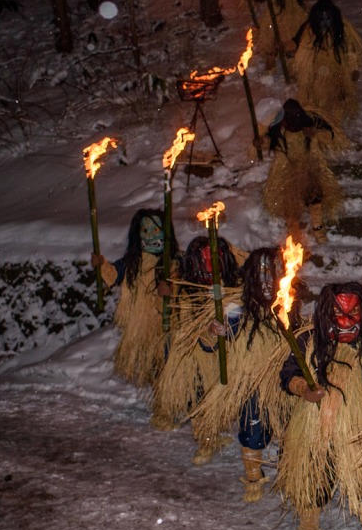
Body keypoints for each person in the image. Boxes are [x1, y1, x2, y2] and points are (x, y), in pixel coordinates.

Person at [275, 281, 362, 530]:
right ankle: (308, 527)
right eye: (338, 312)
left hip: (358, 425)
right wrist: (303, 388)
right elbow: (287, 374)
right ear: (325, 312)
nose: (346, 321)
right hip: (316, 424)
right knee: (314, 473)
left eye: (353, 312)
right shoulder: (308, 341)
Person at [190, 247, 297, 502]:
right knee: (252, 428)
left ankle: (289, 473)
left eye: (271, 274)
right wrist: (213, 331)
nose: (265, 281)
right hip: (250, 383)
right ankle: (253, 478)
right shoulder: (236, 310)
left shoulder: (287, 308)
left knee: (288, 428)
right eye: (259, 274)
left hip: (281, 382)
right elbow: (210, 344)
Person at [151, 235, 245, 466]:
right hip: (192, 353)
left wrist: (225, 302)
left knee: (217, 393)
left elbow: (240, 312)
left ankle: (213, 431)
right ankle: (206, 439)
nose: (211, 265)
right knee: (198, 394)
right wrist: (165, 294)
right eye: (204, 259)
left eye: (216, 258)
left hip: (226, 351)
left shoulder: (234, 284)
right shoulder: (185, 288)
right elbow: (177, 316)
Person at [91, 208, 177, 388]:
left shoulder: (175, 262)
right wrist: (101, 265)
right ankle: (161, 397)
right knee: (154, 367)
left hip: (168, 326)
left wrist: (170, 292)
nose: (151, 236)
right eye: (145, 231)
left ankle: (169, 399)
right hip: (142, 326)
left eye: (155, 230)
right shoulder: (132, 263)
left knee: (169, 363)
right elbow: (113, 275)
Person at [261, 98, 347, 244]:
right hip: (287, 169)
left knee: (314, 197)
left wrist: (314, 133)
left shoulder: (310, 123)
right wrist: (260, 142)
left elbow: (330, 135)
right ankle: (293, 234)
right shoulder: (278, 128)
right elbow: (268, 141)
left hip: (308, 166)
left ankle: (317, 229)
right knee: (290, 204)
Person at [289, 0, 362, 124]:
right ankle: (321, 119)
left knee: (339, 97)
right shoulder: (309, 32)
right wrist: (306, 77)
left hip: (338, 70)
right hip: (318, 73)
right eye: (322, 19)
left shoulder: (343, 29)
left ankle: (336, 121)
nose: (325, 23)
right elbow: (304, 55)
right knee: (318, 99)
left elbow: (351, 51)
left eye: (328, 19)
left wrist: (353, 68)